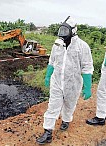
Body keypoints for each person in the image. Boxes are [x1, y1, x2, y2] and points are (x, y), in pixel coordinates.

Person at [36, 16, 94, 145]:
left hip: (73, 84)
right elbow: (52, 62)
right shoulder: (57, 45)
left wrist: (87, 86)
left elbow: (87, 67)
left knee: (69, 105)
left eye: (65, 31)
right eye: (61, 30)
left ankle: (66, 120)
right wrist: (47, 76)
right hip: (57, 82)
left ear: (72, 31)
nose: (62, 34)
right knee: (52, 106)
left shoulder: (82, 47)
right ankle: (48, 132)